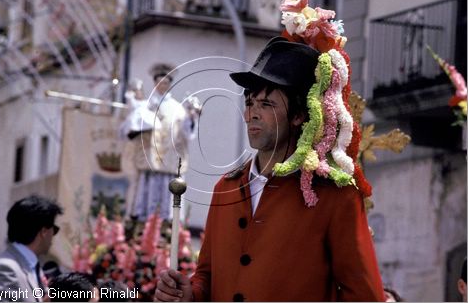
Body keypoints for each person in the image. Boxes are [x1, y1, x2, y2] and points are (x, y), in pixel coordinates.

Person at [154, 34, 385, 300]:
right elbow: (207, 275)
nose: (251, 113)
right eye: (250, 102)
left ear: (299, 116)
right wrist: (190, 295)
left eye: (267, 104)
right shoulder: (225, 188)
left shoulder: (335, 197)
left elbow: (365, 296)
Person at [121, 63, 199, 224]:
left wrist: (192, 118)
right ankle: (141, 223)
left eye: (166, 82)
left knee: (167, 202)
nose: (163, 85)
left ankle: (166, 227)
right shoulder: (144, 105)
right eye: (160, 81)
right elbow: (130, 129)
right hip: (148, 160)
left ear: (170, 84)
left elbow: (187, 133)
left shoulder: (178, 108)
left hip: (169, 162)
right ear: (155, 82)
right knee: (144, 197)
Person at [0, 195, 63, 302]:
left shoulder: (33, 267)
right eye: (54, 229)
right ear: (44, 231)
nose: (53, 235)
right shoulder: (5, 269)